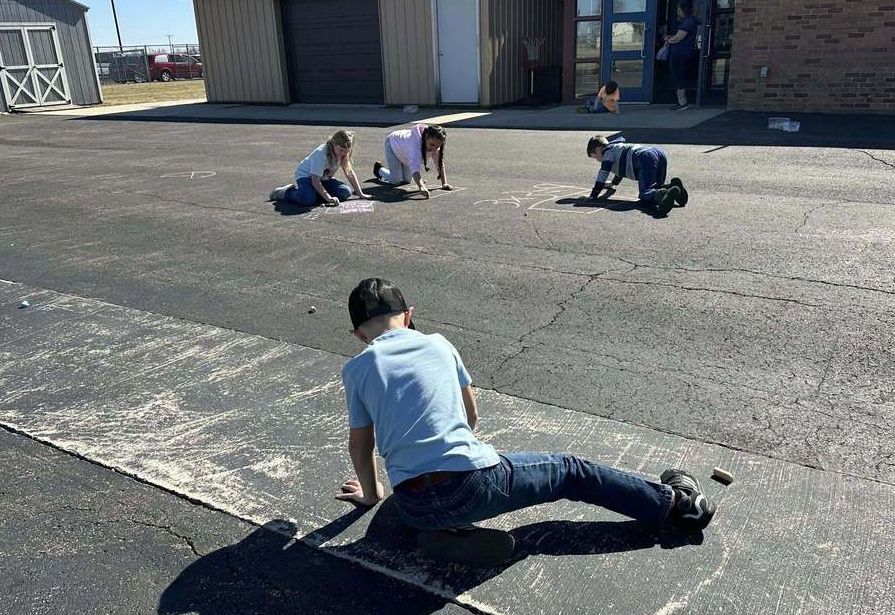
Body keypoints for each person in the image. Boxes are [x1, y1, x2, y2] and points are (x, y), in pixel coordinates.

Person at [335, 277, 716, 567]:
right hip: (472, 484)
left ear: (357, 335)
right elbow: (471, 416)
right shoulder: (437, 343)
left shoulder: (356, 369)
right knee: (570, 472)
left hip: (412, 503)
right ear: (410, 315)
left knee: (409, 487)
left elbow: (360, 446)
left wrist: (370, 495)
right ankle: (678, 505)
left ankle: (441, 528)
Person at [586, 135, 689, 214]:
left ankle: (663, 201)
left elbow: (603, 173)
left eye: (595, 157)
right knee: (656, 187)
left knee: (645, 194)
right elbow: (620, 169)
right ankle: (674, 188)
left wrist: (593, 194)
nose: (597, 160)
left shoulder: (607, 153)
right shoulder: (615, 147)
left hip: (643, 159)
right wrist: (613, 183)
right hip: (658, 153)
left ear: (598, 149)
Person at [269, 129, 371, 207]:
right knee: (308, 200)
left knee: (345, 192)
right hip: (306, 177)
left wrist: (360, 193)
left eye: (346, 151)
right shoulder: (321, 154)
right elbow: (315, 180)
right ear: (334, 144)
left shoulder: (343, 155)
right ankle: (286, 192)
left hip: (323, 178)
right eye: (341, 150)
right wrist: (328, 198)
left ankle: (314, 193)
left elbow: (349, 173)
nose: (343, 153)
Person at [373, 123, 453, 199]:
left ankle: (398, 166)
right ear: (426, 137)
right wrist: (421, 187)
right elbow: (415, 168)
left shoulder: (435, 145)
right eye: (432, 144)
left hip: (404, 152)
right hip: (393, 143)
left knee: (407, 180)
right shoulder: (415, 145)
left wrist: (444, 183)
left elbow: (439, 164)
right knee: (395, 180)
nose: (434, 148)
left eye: (437, 146)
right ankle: (378, 169)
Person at [664, 1, 698, 111]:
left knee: (678, 78)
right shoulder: (688, 21)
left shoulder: (688, 22)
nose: (678, 12)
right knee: (677, 78)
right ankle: (681, 102)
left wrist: (669, 40)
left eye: (679, 10)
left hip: (680, 55)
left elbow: (679, 37)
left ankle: (683, 103)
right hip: (680, 54)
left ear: (685, 10)